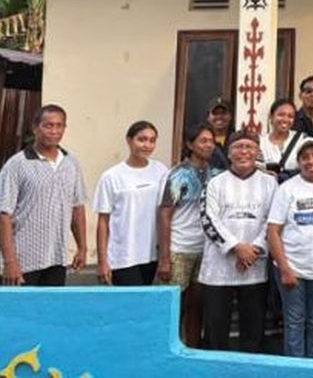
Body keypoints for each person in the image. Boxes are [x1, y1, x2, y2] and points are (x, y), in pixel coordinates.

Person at [199, 131, 278, 352]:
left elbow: (274, 221)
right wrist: (237, 247)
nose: (244, 151)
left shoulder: (270, 183)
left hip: (254, 266)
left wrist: (254, 250)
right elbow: (208, 219)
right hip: (219, 269)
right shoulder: (215, 183)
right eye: (238, 147)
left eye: (249, 147)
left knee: (253, 332)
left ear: (257, 151)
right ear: (228, 152)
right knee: (215, 332)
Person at [0, 104, 88, 286]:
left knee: (52, 305)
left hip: (57, 259)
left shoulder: (71, 164)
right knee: (20, 305)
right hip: (23, 262)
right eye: (48, 125)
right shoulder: (17, 165)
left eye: (59, 125)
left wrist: (82, 248)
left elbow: (77, 208)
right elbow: (2, 216)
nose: (54, 131)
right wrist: (10, 262)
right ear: (35, 128)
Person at [267, 137, 313, 359]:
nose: (311, 161)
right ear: (299, 161)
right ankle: (295, 370)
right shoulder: (286, 189)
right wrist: (284, 269)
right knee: (294, 322)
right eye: (305, 157)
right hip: (292, 269)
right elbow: (273, 231)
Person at [157, 123, 219, 347]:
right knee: (176, 304)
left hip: (206, 250)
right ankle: (169, 346)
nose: (208, 145)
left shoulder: (216, 174)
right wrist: (164, 258)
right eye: (203, 141)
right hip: (180, 249)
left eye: (211, 141)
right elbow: (165, 215)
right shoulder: (177, 174)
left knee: (198, 303)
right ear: (190, 144)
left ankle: (192, 347)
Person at [94, 120, 169, 286]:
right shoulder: (112, 176)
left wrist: (165, 255)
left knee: (146, 300)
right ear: (129, 140)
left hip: (152, 254)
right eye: (142, 139)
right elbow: (103, 221)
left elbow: (166, 213)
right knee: (128, 300)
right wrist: (102, 261)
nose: (147, 145)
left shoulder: (161, 171)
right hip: (123, 256)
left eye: (152, 140)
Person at [259, 98, 305, 181]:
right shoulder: (260, 143)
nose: (285, 119)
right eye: (281, 115)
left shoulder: (302, 140)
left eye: (290, 116)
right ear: (271, 116)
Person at [206, 98, 235, 171]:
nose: (219, 117)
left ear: (230, 116)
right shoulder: (202, 140)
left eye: (223, 113)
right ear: (208, 117)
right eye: (215, 113)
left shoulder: (237, 139)